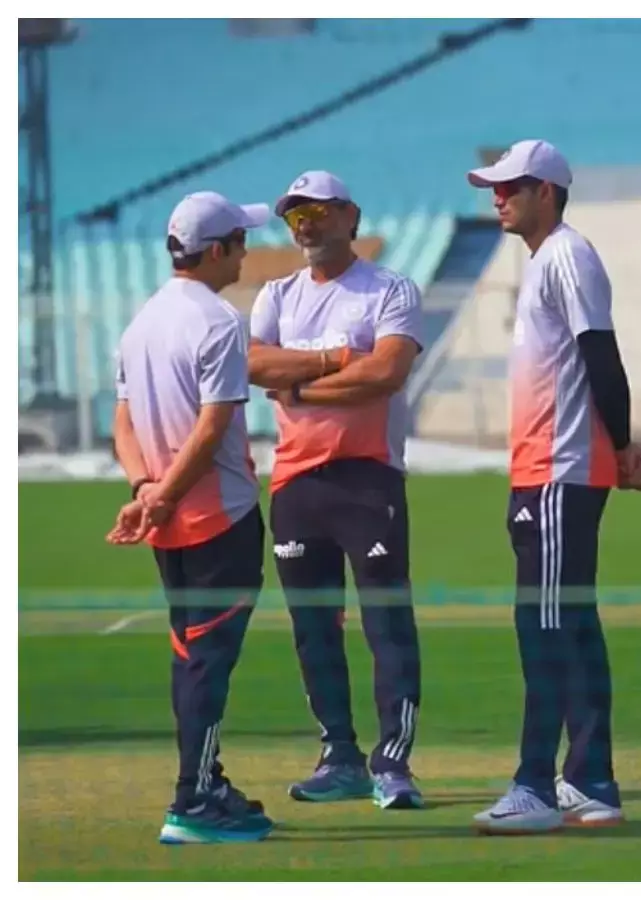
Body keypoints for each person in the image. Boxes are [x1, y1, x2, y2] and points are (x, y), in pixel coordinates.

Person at [464, 139, 641, 835]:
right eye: (494, 187)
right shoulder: (550, 260)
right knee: (570, 624)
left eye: (510, 187)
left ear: (546, 191)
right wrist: (616, 449)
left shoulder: (567, 256)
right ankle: (590, 780)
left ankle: (535, 787)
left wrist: (622, 444)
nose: (497, 197)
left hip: (556, 472)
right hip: (551, 471)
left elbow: (599, 354)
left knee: (543, 628)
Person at [247, 170, 426, 809]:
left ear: (350, 215)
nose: (306, 225)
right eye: (295, 216)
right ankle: (339, 757)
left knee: (387, 624)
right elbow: (254, 363)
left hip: (366, 474)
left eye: (318, 212)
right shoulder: (277, 294)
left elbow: (387, 373)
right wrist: (336, 362)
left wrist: (299, 387)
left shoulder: (389, 289)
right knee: (313, 628)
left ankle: (393, 764)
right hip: (296, 481)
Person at [109, 190, 274, 843]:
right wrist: (167, 494)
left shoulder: (142, 321)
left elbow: (122, 421)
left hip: (170, 523)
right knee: (206, 660)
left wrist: (147, 488)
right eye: (239, 240)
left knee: (189, 655)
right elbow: (211, 428)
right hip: (219, 519)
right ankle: (193, 799)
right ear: (216, 251)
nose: (246, 251)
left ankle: (205, 782)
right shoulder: (220, 322)